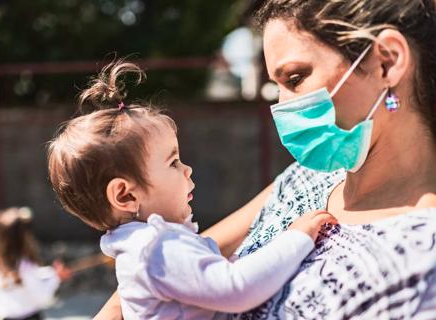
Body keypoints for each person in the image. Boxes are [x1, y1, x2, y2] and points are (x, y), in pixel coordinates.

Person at [94, 0, 436, 319]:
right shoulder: (305, 179)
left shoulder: (421, 260)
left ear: (386, 62)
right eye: (277, 85)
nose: (282, 105)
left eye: (296, 78)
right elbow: (149, 276)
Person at [46, 61, 337, 319]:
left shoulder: (148, 244)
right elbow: (236, 288)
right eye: (173, 162)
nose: (188, 170)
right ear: (125, 195)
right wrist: (297, 238)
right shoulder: (155, 248)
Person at [0, 207, 72, 320]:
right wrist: (56, 278)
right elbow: (43, 297)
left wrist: (51, 272)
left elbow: (28, 278)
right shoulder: (25, 265)